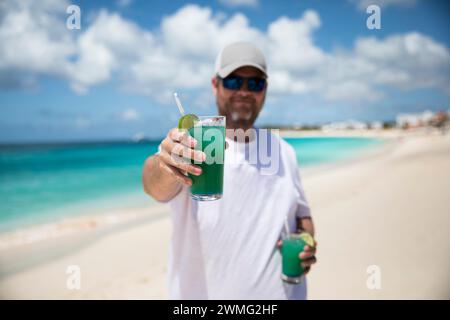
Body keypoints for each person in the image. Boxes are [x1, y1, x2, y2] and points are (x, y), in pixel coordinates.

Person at [142, 42, 317, 299]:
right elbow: (153, 184)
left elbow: (302, 217)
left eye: (255, 83)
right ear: (216, 84)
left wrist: (305, 245)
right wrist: (165, 164)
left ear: (265, 89)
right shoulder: (191, 145)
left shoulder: (284, 151)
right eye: (234, 82)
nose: (244, 91)